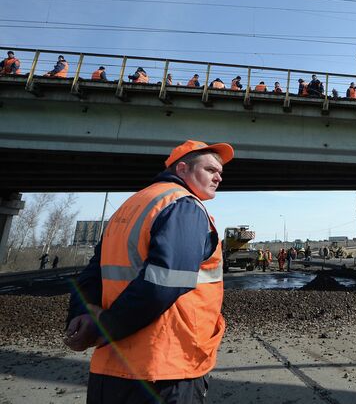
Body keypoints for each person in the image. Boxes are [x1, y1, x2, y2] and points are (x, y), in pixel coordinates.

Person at [63, 139, 234, 403]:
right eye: (211, 170)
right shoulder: (183, 206)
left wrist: (82, 315)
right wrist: (103, 328)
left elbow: (92, 273)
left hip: (110, 369)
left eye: (220, 172)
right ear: (182, 169)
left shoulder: (130, 207)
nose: (219, 177)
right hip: (163, 367)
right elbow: (164, 283)